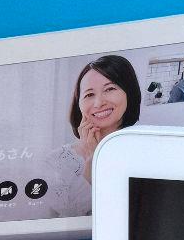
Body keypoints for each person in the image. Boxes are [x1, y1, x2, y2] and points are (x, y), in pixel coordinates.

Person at [45, 54, 141, 217]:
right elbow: (63, 222)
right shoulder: (56, 161)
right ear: (79, 103)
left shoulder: (146, 151)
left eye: (109, 89)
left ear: (129, 92)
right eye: (89, 95)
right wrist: (91, 164)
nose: (99, 103)